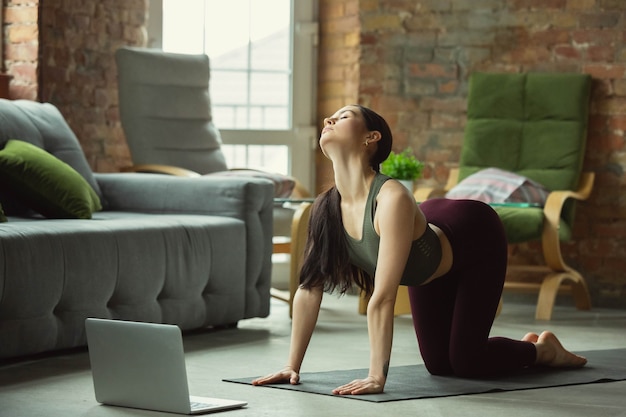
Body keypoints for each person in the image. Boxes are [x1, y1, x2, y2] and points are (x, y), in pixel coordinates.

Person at [252, 104, 587, 395]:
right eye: (331, 117)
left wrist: (376, 375)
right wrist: (291, 365)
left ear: (372, 138)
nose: (329, 119)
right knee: (440, 366)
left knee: (467, 361)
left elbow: (382, 297)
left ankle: (543, 350)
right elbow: (309, 288)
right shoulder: (325, 209)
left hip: (473, 233)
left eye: (344, 116)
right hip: (428, 257)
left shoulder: (391, 198)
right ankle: (529, 347)